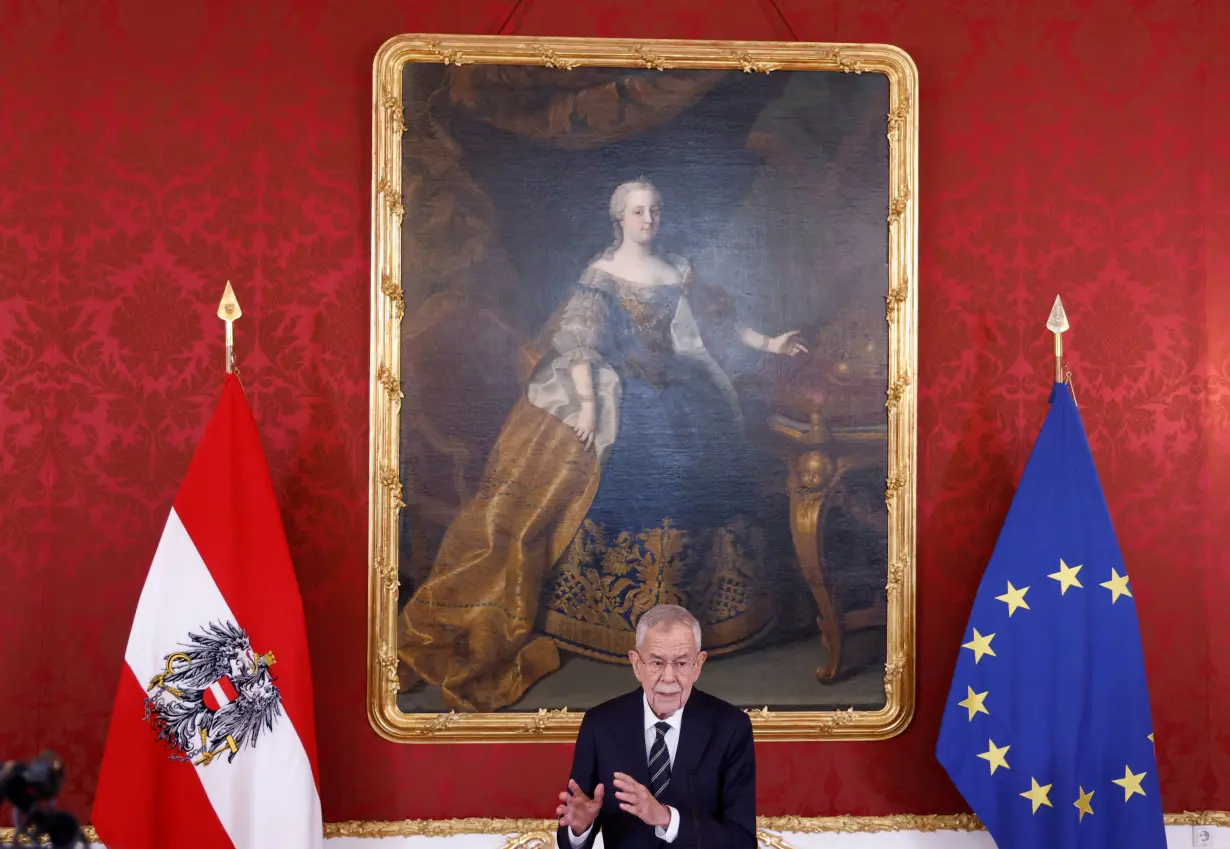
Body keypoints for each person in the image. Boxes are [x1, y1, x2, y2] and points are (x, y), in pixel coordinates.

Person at [398, 178, 806, 712]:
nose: (648, 219)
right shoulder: (601, 276)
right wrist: (588, 407)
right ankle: (613, 619)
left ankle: (704, 611)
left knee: (705, 474)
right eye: (638, 211)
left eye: (655, 210)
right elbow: (580, 346)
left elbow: (722, 323)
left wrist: (771, 342)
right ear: (620, 219)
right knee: (645, 476)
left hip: (687, 392)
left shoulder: (678, 269)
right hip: (627, 396)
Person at [555, 604, 756, 849]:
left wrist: (666, 818)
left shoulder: (730, 727)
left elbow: (743, 842)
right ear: (636, 664)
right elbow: (571, 836)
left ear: (698, 664)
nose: (669, 677)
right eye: (657, 663)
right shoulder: (601, 725)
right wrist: (580, 828)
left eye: (681, 663)